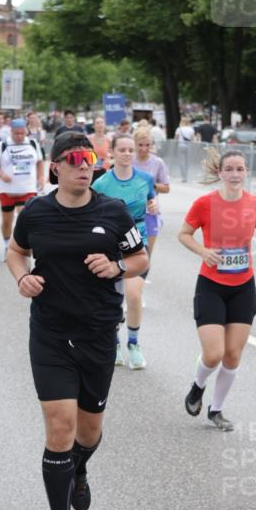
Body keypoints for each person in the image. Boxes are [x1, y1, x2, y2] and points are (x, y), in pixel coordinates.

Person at [6, 131, 149, 510]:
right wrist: (21, 278)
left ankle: (80, 467)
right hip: (50, 332)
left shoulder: (112, 211)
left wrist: (117, 266)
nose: (84, 165)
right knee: (59, 427)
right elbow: (16, 252)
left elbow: (140, 258)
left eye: (89, 158)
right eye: (73, 159)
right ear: (55, 167)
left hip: (97, 333)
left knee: (88, 430)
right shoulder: (37, 211)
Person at [179, 148, 256, 431]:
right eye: (230, 169)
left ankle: (216, 410)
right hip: (211, 285)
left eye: (240, 169)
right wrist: (203, 251)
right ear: (220, 173)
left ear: (246, 172)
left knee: (233, 354)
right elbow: (184, 234)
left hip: (243, 286)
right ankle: (198, 386)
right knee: (213, 354)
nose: (235, 174)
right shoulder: (204, 204)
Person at [92, 134, 156, 369]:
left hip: (137, 242)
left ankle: (133, 343)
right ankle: (115, 343)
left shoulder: (146, 179)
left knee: (134, 294)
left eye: (131, 150)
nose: (128, 154)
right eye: (123, 150)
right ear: (113, 153)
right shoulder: (101, 183)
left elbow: (152, 202)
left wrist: (154, 205)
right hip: (111, 244)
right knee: (113, 299)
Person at [0, 117, 44, 262]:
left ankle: (21, 248)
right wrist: (1, 174)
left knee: (24, 219)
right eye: (16, 133)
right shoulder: (3, 145)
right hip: (7, 190)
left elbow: (40, 162)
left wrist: (40, 177)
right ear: (11, 132)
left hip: (27, 189)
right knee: (7, 221)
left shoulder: (32, 143)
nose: (19, 136)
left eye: (22, 133)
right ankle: (7, 246)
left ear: (26, 131)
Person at [133, 125, 170, 258]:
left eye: (147, 145)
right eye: (140, 145)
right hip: (129, 212)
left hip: (150, 211)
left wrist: (150, 184)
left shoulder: (157, 162)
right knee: (129, 252)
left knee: (147, 252)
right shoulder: (129, 160)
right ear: (135, 144)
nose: (144, 149)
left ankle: (142, 277)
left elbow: (166, 188)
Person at [175, 117, 195, 182]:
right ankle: (187, 176)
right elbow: (192, 139)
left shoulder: (179, 129)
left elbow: (176, 138)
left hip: (181, 145)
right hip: (188, 146)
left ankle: (183, 177)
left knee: (182, 161)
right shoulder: (191, 129)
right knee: (187, 161)